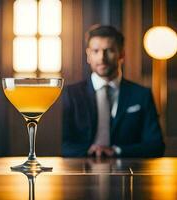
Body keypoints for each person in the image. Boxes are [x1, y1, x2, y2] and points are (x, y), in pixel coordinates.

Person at [62, 25, 165, 157]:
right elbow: (61, 144)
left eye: (109, 50)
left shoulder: (141, 95)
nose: (102, 57)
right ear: (88, 55)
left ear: (122, 54)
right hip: (79, 169)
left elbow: (156, 146)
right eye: (95, 51)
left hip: (129, 170)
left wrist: (117, 151)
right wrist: (89, 150)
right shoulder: (71, 94)